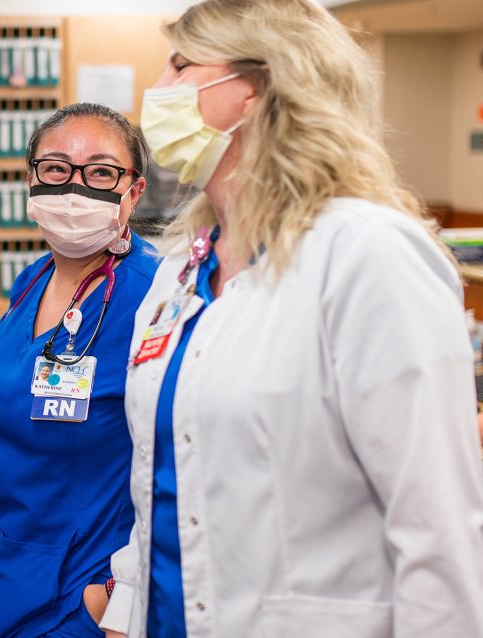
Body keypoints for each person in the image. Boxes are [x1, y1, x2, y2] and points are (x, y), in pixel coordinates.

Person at [98, 1, 483, 636]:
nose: (158, 87)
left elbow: (438, 529)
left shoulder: (367, 254)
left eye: (181, 63)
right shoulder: (180, 271)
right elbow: (162, 478)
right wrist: (127, 608)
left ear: (254, 88)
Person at [0, 102, 161, 638]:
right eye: (55, 168)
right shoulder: (31, 281)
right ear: (31, 179)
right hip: (4, 569)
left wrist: (122, 598)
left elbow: (184, 460)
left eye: (99, 171)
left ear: (133, 191)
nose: (74, 187)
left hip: (88, 589)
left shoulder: (156, 297)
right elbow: (9, 438)